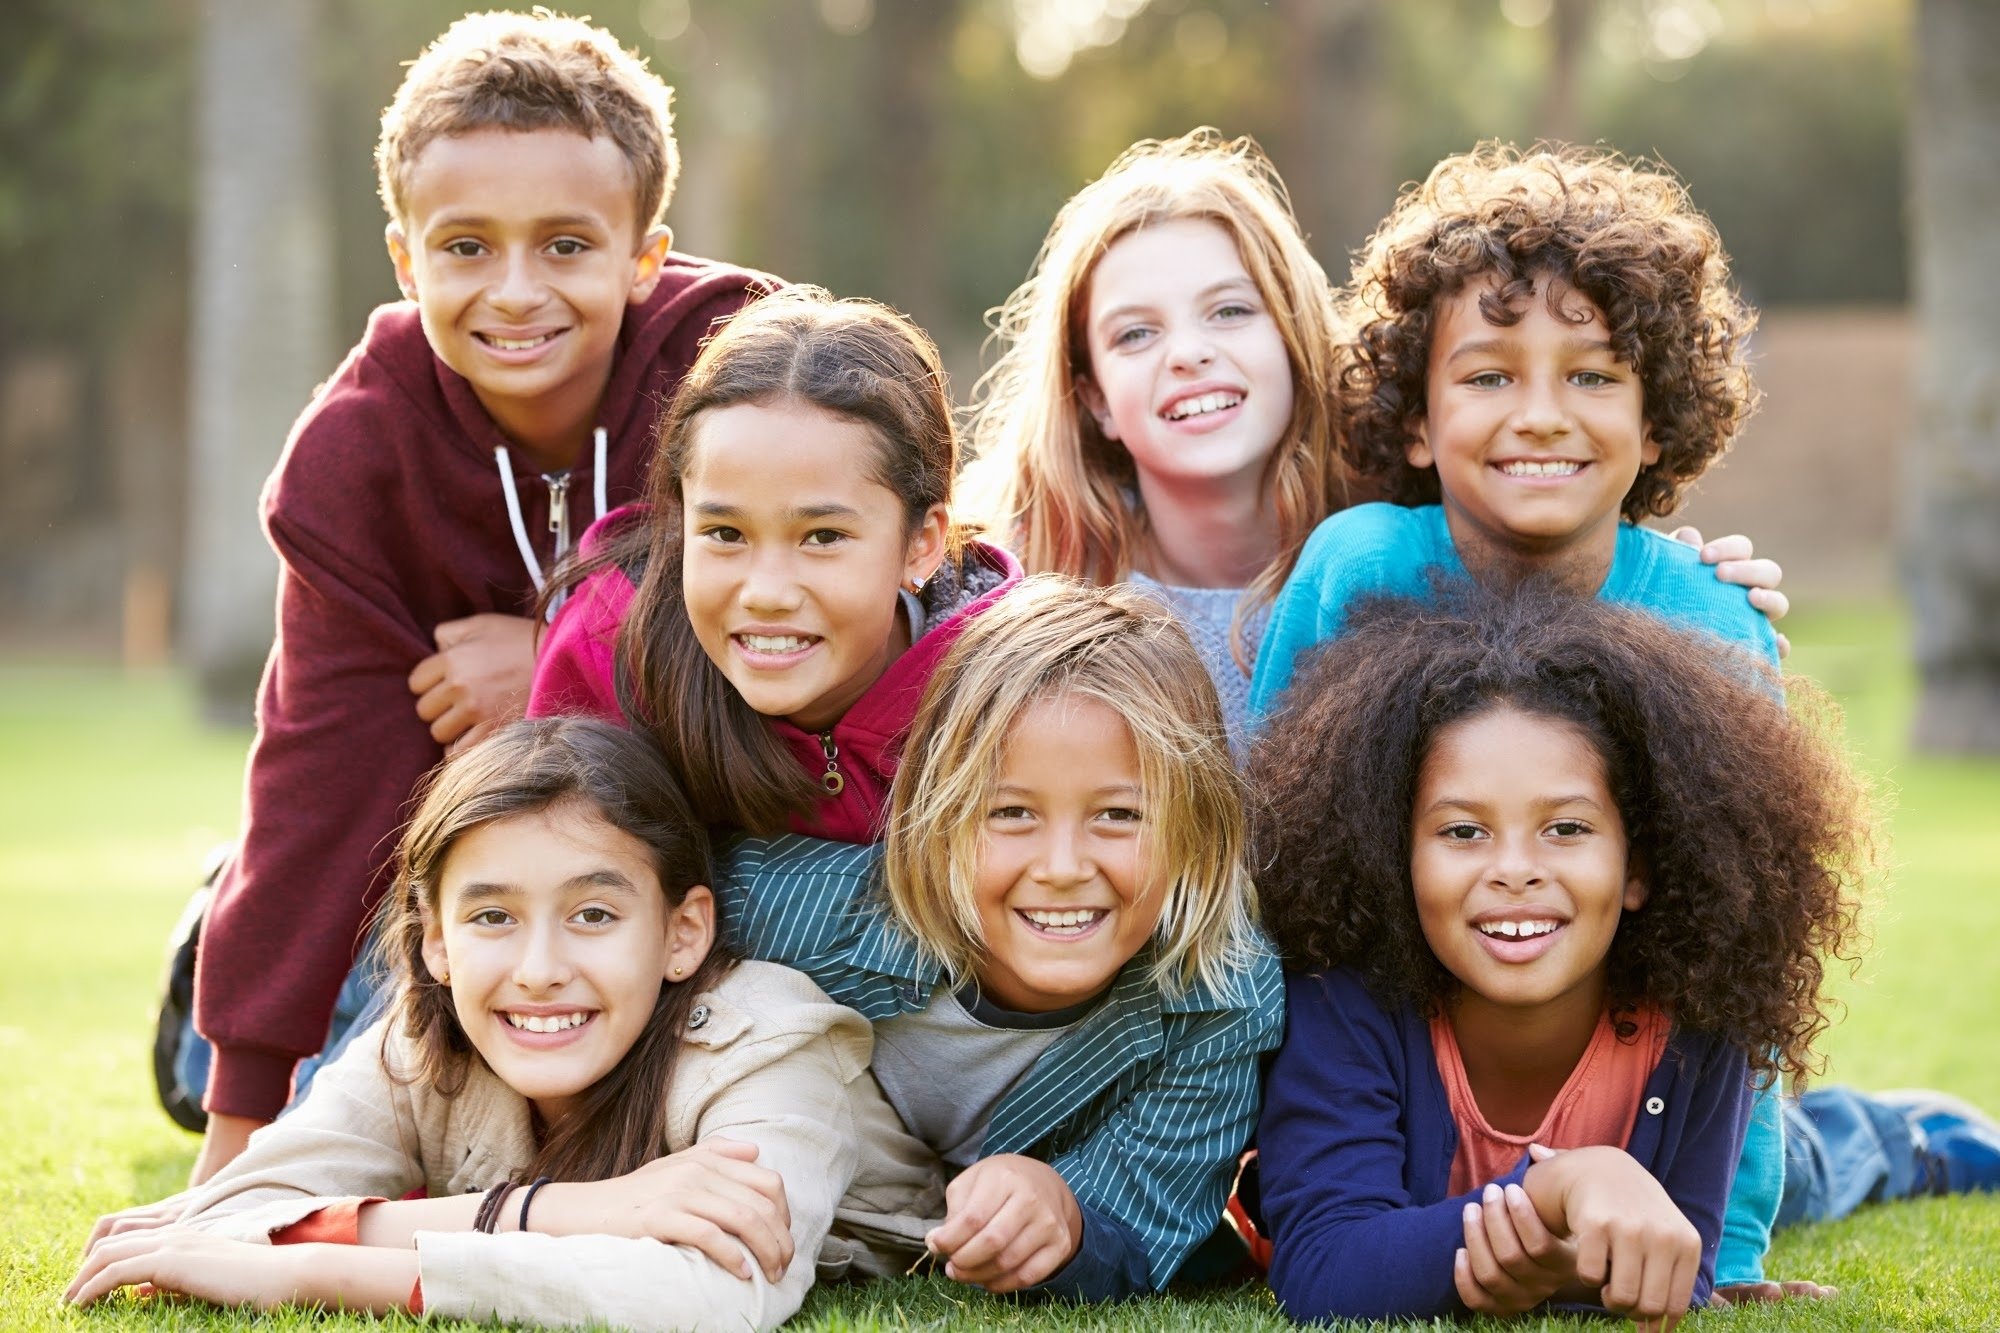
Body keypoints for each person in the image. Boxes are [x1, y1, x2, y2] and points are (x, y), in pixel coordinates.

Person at [1246, 142, 2000, 1297]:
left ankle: (1905, 1135)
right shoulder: (1353, 571)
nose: (1539, 415)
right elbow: (1270, 854)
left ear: (1656, 424)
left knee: (1801, 1158)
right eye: (1488, 376)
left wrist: (1726, 1251)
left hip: (1643, 1060)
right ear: (1413, 418)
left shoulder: (1708, 621)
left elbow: (1735, 948)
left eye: (1592, 376)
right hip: (1410, 1037)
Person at [174, 10, 775, 1180]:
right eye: (464, 248)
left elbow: (816, 616)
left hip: (691, 855)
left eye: (564, 245)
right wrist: (241, 1119)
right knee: (386, 1099)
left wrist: (558, 655)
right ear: (404, 259)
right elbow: (318, 769)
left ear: (645, 256)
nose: (514, 291)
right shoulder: (353, 459)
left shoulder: (745, 372)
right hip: (460, 895)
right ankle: (197, 1014)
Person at [960, 128, 1783, 756]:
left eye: (1230, 311)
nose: (1187, 352)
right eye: (1135, 333)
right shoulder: (1013, 590)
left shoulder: (1396, 535)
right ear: (1093, 396)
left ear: (1297, 338)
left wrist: (1697, 589)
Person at [77, 718, 880, 1330]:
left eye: (594, 913)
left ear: (683, 933)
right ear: (437, 940)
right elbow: (226, 1217)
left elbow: (718, 1291)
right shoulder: (426, 1040)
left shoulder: (768, 1042)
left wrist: (307, 1270)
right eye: (493, 915)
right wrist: (565, 1209)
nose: (537, 967)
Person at [1246, 586, 1871, 1328]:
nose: (1515, 869)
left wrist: (1521, 1260)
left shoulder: (1697, 1012)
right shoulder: (1344, 1000)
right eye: (1462, 832)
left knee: (1835, 1157)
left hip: (1812, 1148)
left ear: (1639, 863)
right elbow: (1324, 1272)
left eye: (1567, 828)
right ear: (1395, 857)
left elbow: (1685, 1265)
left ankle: (1916, 1140)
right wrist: (1560, 1191)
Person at [714, 578, 1284, 1301]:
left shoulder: (1220, 992)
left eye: (1118, 815)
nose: (1063, 867)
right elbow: (648, 928)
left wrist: (1064, 1216)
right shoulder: (809, 910)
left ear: (1195, 825)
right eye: (1012, 813)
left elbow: (1143, 1221)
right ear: (938, 817)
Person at [528, 287, 1021, 839]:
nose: (766, 592)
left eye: (823, 537)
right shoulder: (611, 654)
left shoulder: (1011, 692)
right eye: (725, 533)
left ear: (922, 543)